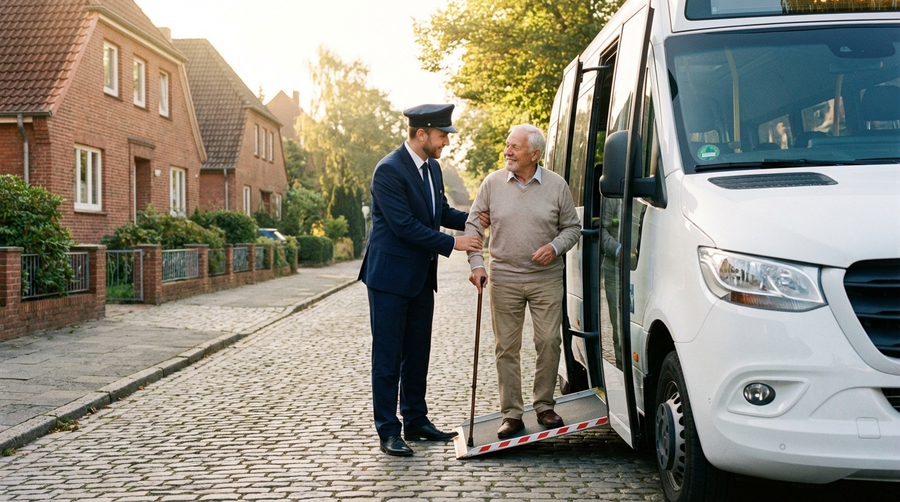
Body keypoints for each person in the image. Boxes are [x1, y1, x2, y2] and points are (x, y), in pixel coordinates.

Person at [358, 103, 486, 457]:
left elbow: (439, 212)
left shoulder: (432, 168)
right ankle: (388, 430)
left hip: (419, 278)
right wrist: (453, 243)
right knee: (388, 356)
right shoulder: (388, 171)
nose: (447, 141)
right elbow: (404, 226)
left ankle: (415, 420)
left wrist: (478, 218)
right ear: (421, 133)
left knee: (417, 353)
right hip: (388, 278)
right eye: (443, 135)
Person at [465, 124, 580, 439]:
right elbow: (474, 227)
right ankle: (511, 414)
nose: (508, 151)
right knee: (507, 348)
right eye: (507, 145)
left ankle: (544, 405)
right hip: (504, 278)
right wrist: (476, 264)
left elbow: (572, 228)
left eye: (515, 147)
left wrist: (555, 247)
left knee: (549, 342)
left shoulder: (557, 186)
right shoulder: (492, 184)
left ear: (535, 153)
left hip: (546, 279)